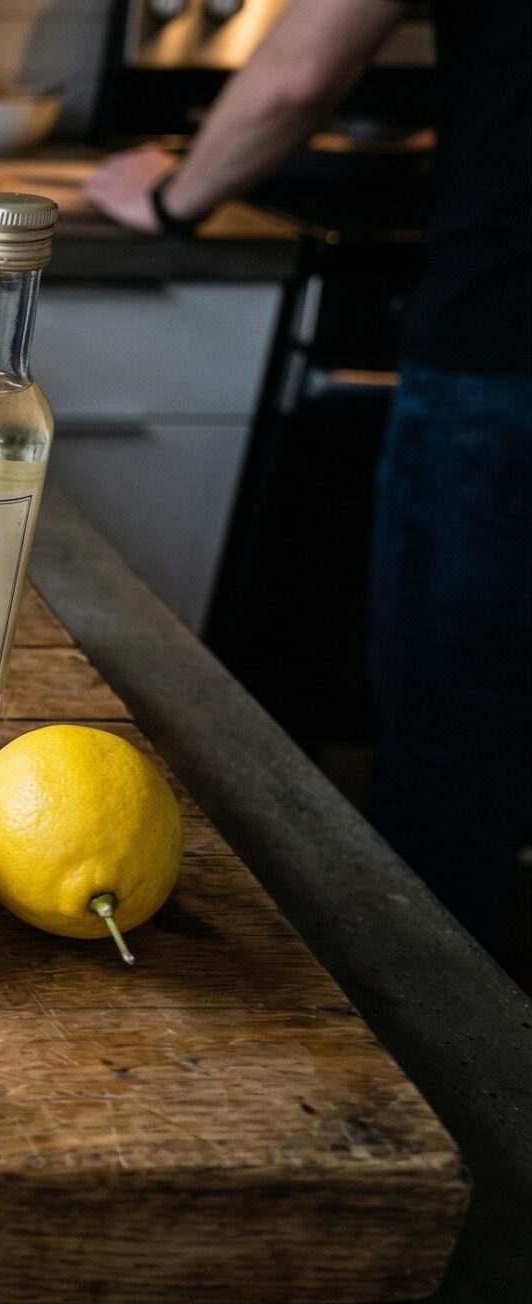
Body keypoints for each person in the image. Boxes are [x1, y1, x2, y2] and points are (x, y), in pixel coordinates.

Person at [86, 0, 531, 953]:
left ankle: (442, 1065)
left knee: (458, 732)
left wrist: (173, 194)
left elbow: (300, 67)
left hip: (508, 348)